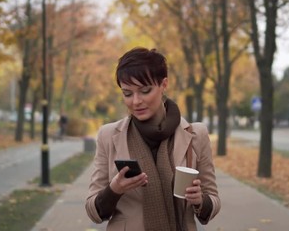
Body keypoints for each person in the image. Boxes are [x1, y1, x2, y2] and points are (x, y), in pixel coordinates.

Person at [85, 47, 220, 231]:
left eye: (145, 91)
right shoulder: (108, 136)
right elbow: (93, 211)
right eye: (127, 93)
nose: (136, 101)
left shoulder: (196, 134)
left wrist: (199, 200)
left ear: (164, 85)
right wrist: (114, 189)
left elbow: (213, 201)